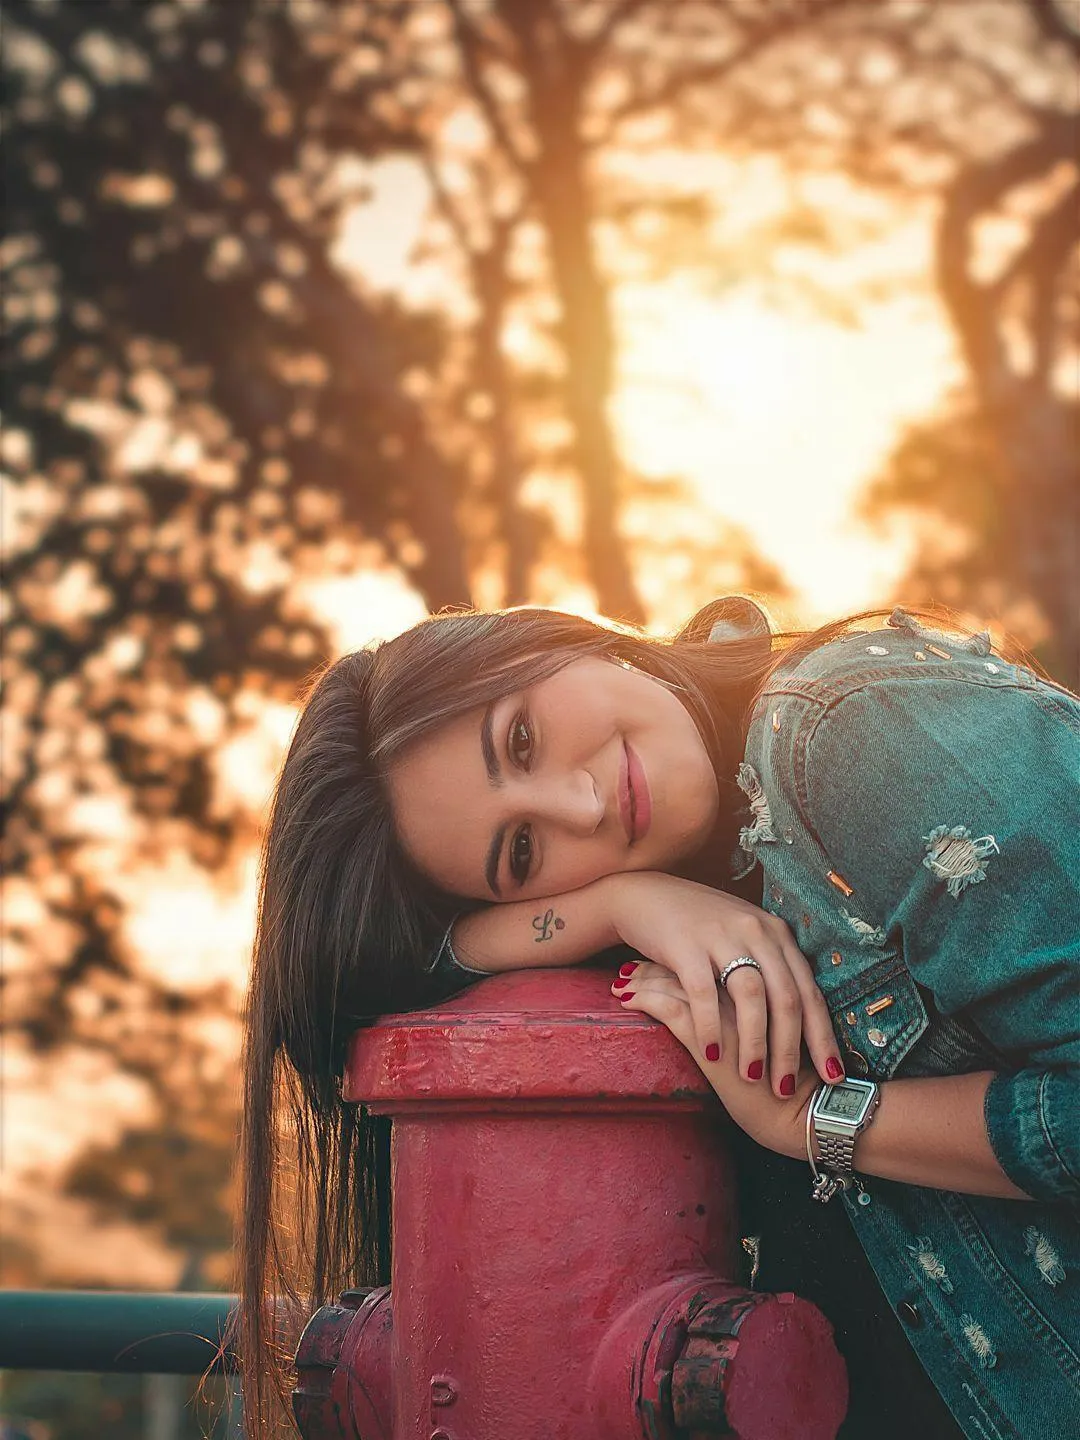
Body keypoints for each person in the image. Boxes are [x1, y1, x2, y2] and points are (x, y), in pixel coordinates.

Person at [235, 598, 1079, 1440]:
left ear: (550, 641)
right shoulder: (691, 861)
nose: (581, 805)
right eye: (523, 852)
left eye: (521, 739)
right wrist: (616, 901)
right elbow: (374, 975)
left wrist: (815, 1121)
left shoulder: (840, 731)